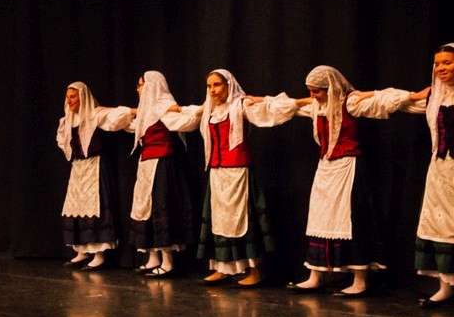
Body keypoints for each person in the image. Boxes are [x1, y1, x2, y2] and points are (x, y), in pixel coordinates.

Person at [249, 67, 422, 295]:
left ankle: (360, 279)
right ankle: (316, 274)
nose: (313, 95)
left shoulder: (351, 103)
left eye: (317, 91)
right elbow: (291, 105)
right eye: (310, 91)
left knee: (350, 221)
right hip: (326, 168)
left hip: (348, 166)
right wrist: (262, 100)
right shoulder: (317, 106)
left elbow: (383, 101)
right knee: (320, 218)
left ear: (330, 88)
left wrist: (414, 96)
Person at [170, 69, 296, 287]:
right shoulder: (209, 109)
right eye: (209, 86)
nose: (212, 90)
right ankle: (222, 268)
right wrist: (178, 109)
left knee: (243, 220)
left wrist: (276, 100)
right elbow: (191, 113)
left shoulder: (240, 105)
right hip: (217, 172)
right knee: (220, 221)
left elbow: (272, 111)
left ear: (228, 85)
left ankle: (255, 271)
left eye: (217, 85)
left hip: (238, 172)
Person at [127, 71, 198, 278]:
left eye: (141, 85)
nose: (138, 89)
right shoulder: (147, 110)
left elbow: (184, 123)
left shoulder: (163, 106)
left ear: (151, 85)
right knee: (146, 209)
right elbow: (129, 125)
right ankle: (153, 257)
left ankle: (168, 262)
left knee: (162, 208)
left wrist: (185, 110)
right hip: (146, 164)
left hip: (162, 164)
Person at [56, 82, 133, 269]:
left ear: (82, 97)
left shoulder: (95, 115)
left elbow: (116, 117)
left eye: (73, 97)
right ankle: (81, 251)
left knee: (95, 207)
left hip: (95, 166)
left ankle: (99, 254)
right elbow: (63, 141)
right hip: (78, 168)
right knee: (77, 207)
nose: (69, 101)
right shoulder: (67, 121)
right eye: (68, 97)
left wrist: (137, 111)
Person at [414, 42, 454, 308]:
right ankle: (445, 286)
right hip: (441, 169)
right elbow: (400, 100)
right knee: (442, 225)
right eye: (437, 63)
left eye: (447, 63)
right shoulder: (435, 97)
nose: (441, 68)